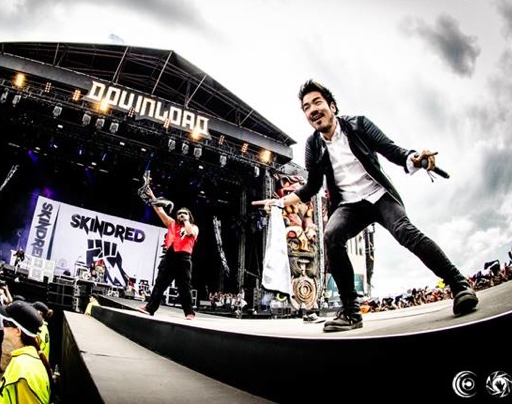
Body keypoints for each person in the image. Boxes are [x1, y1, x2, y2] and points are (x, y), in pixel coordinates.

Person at [253, 79, 478, 332]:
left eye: (317, 102)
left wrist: (415, 158)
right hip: (350, 206)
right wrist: (280, 202)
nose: (313, 110)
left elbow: (392, 151)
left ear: (332, 106)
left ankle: (459, 285)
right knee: (331, 236)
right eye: (306, 107)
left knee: (404, 231)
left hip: (379, 196)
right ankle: (351, 313)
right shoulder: (313, 145)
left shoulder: (359, 124)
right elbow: (311, 187)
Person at [137, 186, 199, 319]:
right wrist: (152, 196)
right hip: (170, 257)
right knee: (160, 284)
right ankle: (150, 308)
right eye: (179, 213)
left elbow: (190, 233)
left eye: (184, 213)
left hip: (184, 258)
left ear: (189, 216)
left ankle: (189, 312)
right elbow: (159, 210)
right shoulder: (172, 224)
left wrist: (186, 221)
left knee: (184, 287)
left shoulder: (194, 227)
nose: (181, 214)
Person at [0, 300, 52, 404]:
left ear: (17, 331)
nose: (2, 326)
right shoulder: (26, 360)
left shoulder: (24, 371)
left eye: (5, 322)